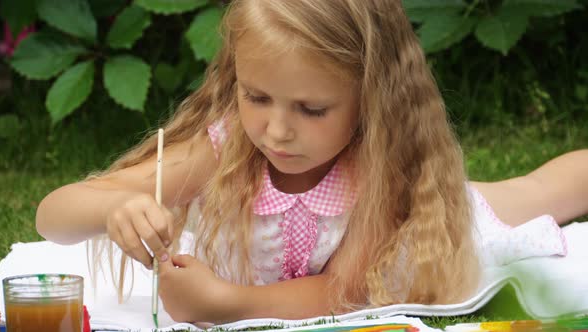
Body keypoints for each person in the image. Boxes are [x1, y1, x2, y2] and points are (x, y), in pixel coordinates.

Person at [35, 0, 588, 325]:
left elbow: (339, 294)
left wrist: (227, 302)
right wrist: (117, 208)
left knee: (537, 192)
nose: (276, 130)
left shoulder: (382, 172)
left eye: (311, 108)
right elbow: (53, 216)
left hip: (438, 219)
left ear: (371, 98)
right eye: (256, 98)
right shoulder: (226, 151)